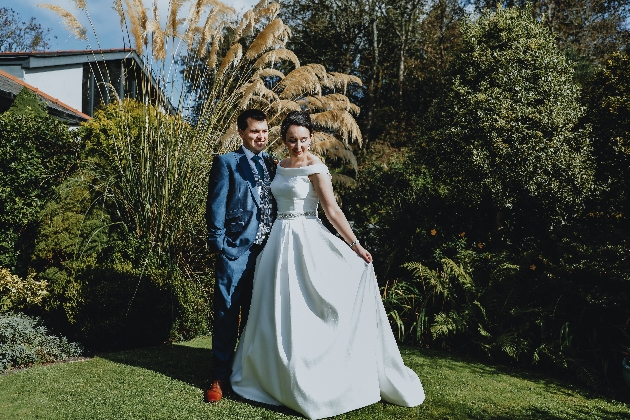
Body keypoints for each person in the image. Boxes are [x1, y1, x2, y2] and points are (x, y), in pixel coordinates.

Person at [230, 111, 425, 419]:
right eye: (292, 140)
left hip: (307, 237)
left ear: (311, 138)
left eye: (303, 139)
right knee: (276, 309)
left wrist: (356, 245)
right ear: (284, 139)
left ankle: (315, 370)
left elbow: (332, 211)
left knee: (310, 306)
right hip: (278, 242)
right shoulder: (277, 165)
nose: (297, 146)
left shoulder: (315, 166)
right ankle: (273, 373)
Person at [204, 109, 277, 403]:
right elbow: (215, 206)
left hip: (268, 253)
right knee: (226, 312)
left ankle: (246, 372)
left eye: (265, 131)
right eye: (255, 132)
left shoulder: (273, 165)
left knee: (255, 313)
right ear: (242, 134)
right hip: (235, 251)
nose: (261, 136)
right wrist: (219, 246)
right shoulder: (227, 163)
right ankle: (219, 376)